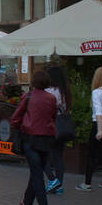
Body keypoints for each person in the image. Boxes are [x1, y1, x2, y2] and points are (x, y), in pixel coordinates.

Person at [11, 68, 57, 205]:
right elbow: (53, 117)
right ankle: (26, 203)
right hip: (47, 138)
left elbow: (15, 118)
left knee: (36, 173)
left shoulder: (28, 96)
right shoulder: (51, 98)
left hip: (30, 138)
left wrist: (18, 128)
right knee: (36, 171)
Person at [77, 66, 102, 190]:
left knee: (91, 155)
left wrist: (99, 130)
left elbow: (98, 112)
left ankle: (87, 183)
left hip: (98, 124)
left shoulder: (97, 92)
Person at [44, 65, 72, 196]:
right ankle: (59, 185)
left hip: (50, 127)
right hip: (62, 128)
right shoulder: (65, 91)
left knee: (42, 156)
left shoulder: (49, 91)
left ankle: (52, 180)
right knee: (58, 157)